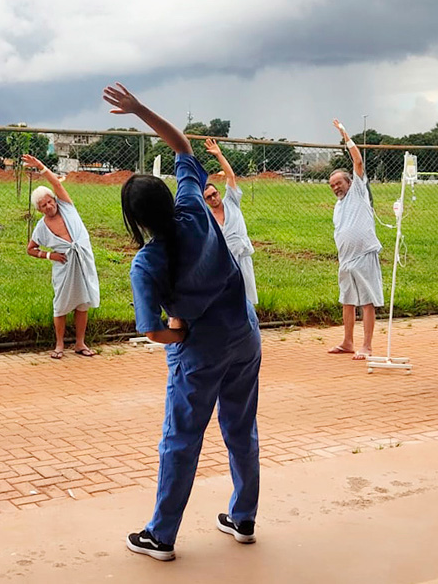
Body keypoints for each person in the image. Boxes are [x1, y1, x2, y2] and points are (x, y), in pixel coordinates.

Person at [105, 83, 261, 561]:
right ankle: (243, 517)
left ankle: (162, 535)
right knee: (241, 428)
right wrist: (138, 110)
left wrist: (180, 335)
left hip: (200, 352)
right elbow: (183, 146)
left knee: (181, 438)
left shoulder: (147, 263)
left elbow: (151, 329)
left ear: (135, 220)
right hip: (245, 336)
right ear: (168, 197)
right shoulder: (194, 206)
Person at [24, 154, 100, 359]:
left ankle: (80, 343)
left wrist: (40, 166)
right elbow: (30, 249)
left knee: (83, 302)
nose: (49, 206)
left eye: (50, 201)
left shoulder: (66, 206)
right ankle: (59, 345)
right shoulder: (41, 227)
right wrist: (49, 255)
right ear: (39, 210)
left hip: (82, 260)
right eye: (43, 205)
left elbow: (56, 182)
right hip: (64, 266)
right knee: (61, 304)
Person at [327, 119, 384, 360]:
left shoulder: (359, 191)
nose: (335, 187)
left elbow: (357, 161)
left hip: (364, 255)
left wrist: (344, 135)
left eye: (338, 182)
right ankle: (347, 341)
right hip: (346, 259)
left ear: (349, 182)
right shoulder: (337, 206)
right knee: (347, 301)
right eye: (331, 185)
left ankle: (367, 345)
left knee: (367, 301)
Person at [202, 137, 258, 305]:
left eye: (214, 194)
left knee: (247, 298)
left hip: (243, 254)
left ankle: (250, 327)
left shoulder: (231, 201)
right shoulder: (208, 218)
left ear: (219, 192)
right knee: (227, 299)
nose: (213, 198)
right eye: (208, 197)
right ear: (205, 201)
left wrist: (219, 155)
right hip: (224, 260)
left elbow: (230, 176)